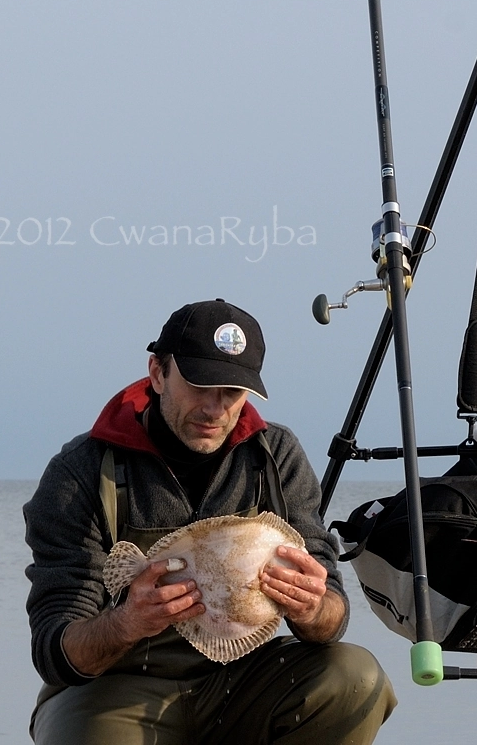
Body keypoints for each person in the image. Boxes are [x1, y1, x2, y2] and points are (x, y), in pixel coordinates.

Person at [24, 299, 397, 744]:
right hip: (116, 682)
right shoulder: (80, 472)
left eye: (232, 392)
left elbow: (331, 614)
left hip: (244, 678)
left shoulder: (275, 456)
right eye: (200, 385)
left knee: (353, 676)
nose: (215, 409)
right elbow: (54, 649)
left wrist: (313, 606)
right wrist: (127, 622)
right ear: (158, 373)